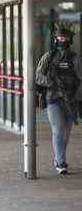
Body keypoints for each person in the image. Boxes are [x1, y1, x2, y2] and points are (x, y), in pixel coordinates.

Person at [36, 22, 82, 175]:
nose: (62, 39)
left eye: (65, 37)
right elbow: (38, 77)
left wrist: (75, 94)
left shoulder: (75, 59)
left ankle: (59, 157)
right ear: (56, 38)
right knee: (58, 129)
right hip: (53, 99)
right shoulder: (49, 56)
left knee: (67, 131)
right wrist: (52, 83)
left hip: (71, 99)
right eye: (60, 37)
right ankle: (61, 161)